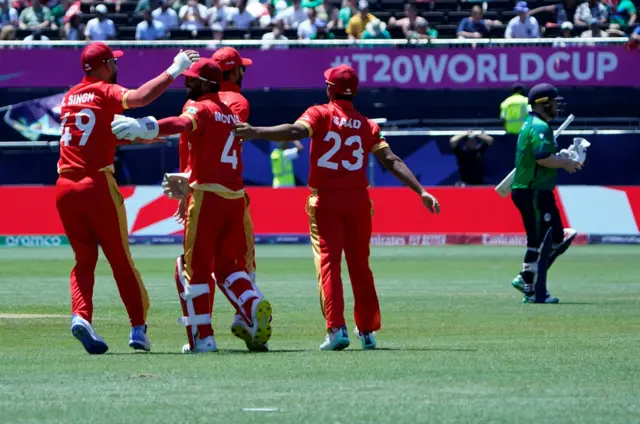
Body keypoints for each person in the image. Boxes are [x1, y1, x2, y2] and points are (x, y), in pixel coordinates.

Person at [233, 64, 440, 351]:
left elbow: (295, 130)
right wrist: (421, 191)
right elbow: (390, 159)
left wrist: (255, 131)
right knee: (360, 267)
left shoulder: (319, 113)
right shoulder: (368, 125)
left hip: (326, 200)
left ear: (329, 89)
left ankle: (336, 329)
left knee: (329, 265)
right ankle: (367, 332)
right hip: (358, 201)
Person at [112, 59, 273, 354]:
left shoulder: (200, 107)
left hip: (207, 197)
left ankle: (203, 337)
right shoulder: (229, 113)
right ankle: (252, 302)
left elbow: (182, 124)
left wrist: (147, 126)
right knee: (227, 267)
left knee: (193, 270)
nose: (186, 83)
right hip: (235, 199)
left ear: (208, 84)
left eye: (192, 79)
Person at [56, 42, 199, 354]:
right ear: (106, 64)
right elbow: (140, 98)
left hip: (64, 187)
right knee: (120, 259)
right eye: (114, 62)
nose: (117, 67)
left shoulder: (69, 97)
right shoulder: (104, 91)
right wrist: (174, 69)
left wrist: (140, 136)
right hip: (96, 185)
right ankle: (137, 328)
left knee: (83, 260)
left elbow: (91, 137)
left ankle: (81, 316)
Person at [509, 83, 582, 304]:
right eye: (554, 103)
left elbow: (543, 156)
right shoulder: (540, 127)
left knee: (543, 239)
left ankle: (528, 283)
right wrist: (566, 163)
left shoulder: (533, 124)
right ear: (543, 103)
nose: (557, 107)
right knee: (547, 240)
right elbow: (543, 158)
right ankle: (530, 284)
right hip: (533, 191)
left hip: (533, 190)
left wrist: (561, 156)